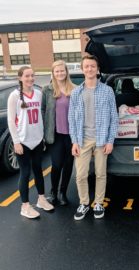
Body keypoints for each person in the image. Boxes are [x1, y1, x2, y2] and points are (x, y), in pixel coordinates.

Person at [68, 55, 118, 220]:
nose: (89, 69)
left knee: (100, 173)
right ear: (82, 69)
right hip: (82, 139)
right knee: (80, 175)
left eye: (92, 66)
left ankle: (98, 203)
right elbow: (71, 119)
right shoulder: (76, 92)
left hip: (101, 138)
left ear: (97, 69)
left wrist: (110, 141)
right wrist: (74, 141)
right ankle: (84, 203)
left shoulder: (107, 90)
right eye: (86, 66)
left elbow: (114, 117)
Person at [7, 66, 54, 219]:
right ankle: (25, 206)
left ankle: (41, 199)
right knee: (25, 173)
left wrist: (43, 137)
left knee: (39, 171)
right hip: (23, 141)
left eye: (32, 76)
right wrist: (16, 142)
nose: (30, 78)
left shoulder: (39, 94)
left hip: (38, 140)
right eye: (27, 76)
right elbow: (11, 121)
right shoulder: (14, 96)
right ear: (20, 78)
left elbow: (42, 116)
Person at [42, 60, 75, 206]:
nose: (60, 73)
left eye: (62, 71)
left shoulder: (75, 89)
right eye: (57, 71)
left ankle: (63, 193)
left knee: (68, 165)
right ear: (53, 73)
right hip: (55, 134)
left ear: (66, 72)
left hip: (71, 135)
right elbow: (43, 111)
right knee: (56, 165)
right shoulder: (47, 90)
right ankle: (53, 192)